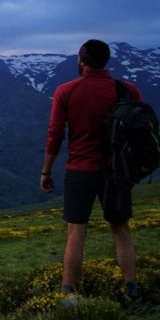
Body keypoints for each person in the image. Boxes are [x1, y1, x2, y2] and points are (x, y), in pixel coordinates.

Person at [41, 39, 142, 302]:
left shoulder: (66, 91)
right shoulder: (127, 90)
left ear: (82, 60)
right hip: (116, 172)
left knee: (76, 232)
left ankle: (68, 295)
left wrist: (46, 171)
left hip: (80, 170)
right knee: (120, 229)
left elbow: (55, 135)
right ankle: (132, 289)